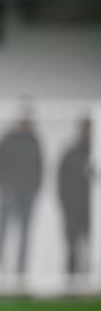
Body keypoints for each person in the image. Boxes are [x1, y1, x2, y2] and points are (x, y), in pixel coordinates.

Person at [0, 108, 43, 275]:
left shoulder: (34, 141)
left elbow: (39, 167)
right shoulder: (8, 140)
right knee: (3, 231)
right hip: (10, 193)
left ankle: (21, 272)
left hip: (27, 194)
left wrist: (35, 189)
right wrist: (2, 186)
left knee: (25, 235)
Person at [57, 117, 92, 275]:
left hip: (92, 210)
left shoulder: (96, 152)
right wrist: (65, 203)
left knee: (92, 245)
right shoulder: (71, 153)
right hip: (73, 207)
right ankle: (71, 282)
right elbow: (61, 181)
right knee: (72, 246)